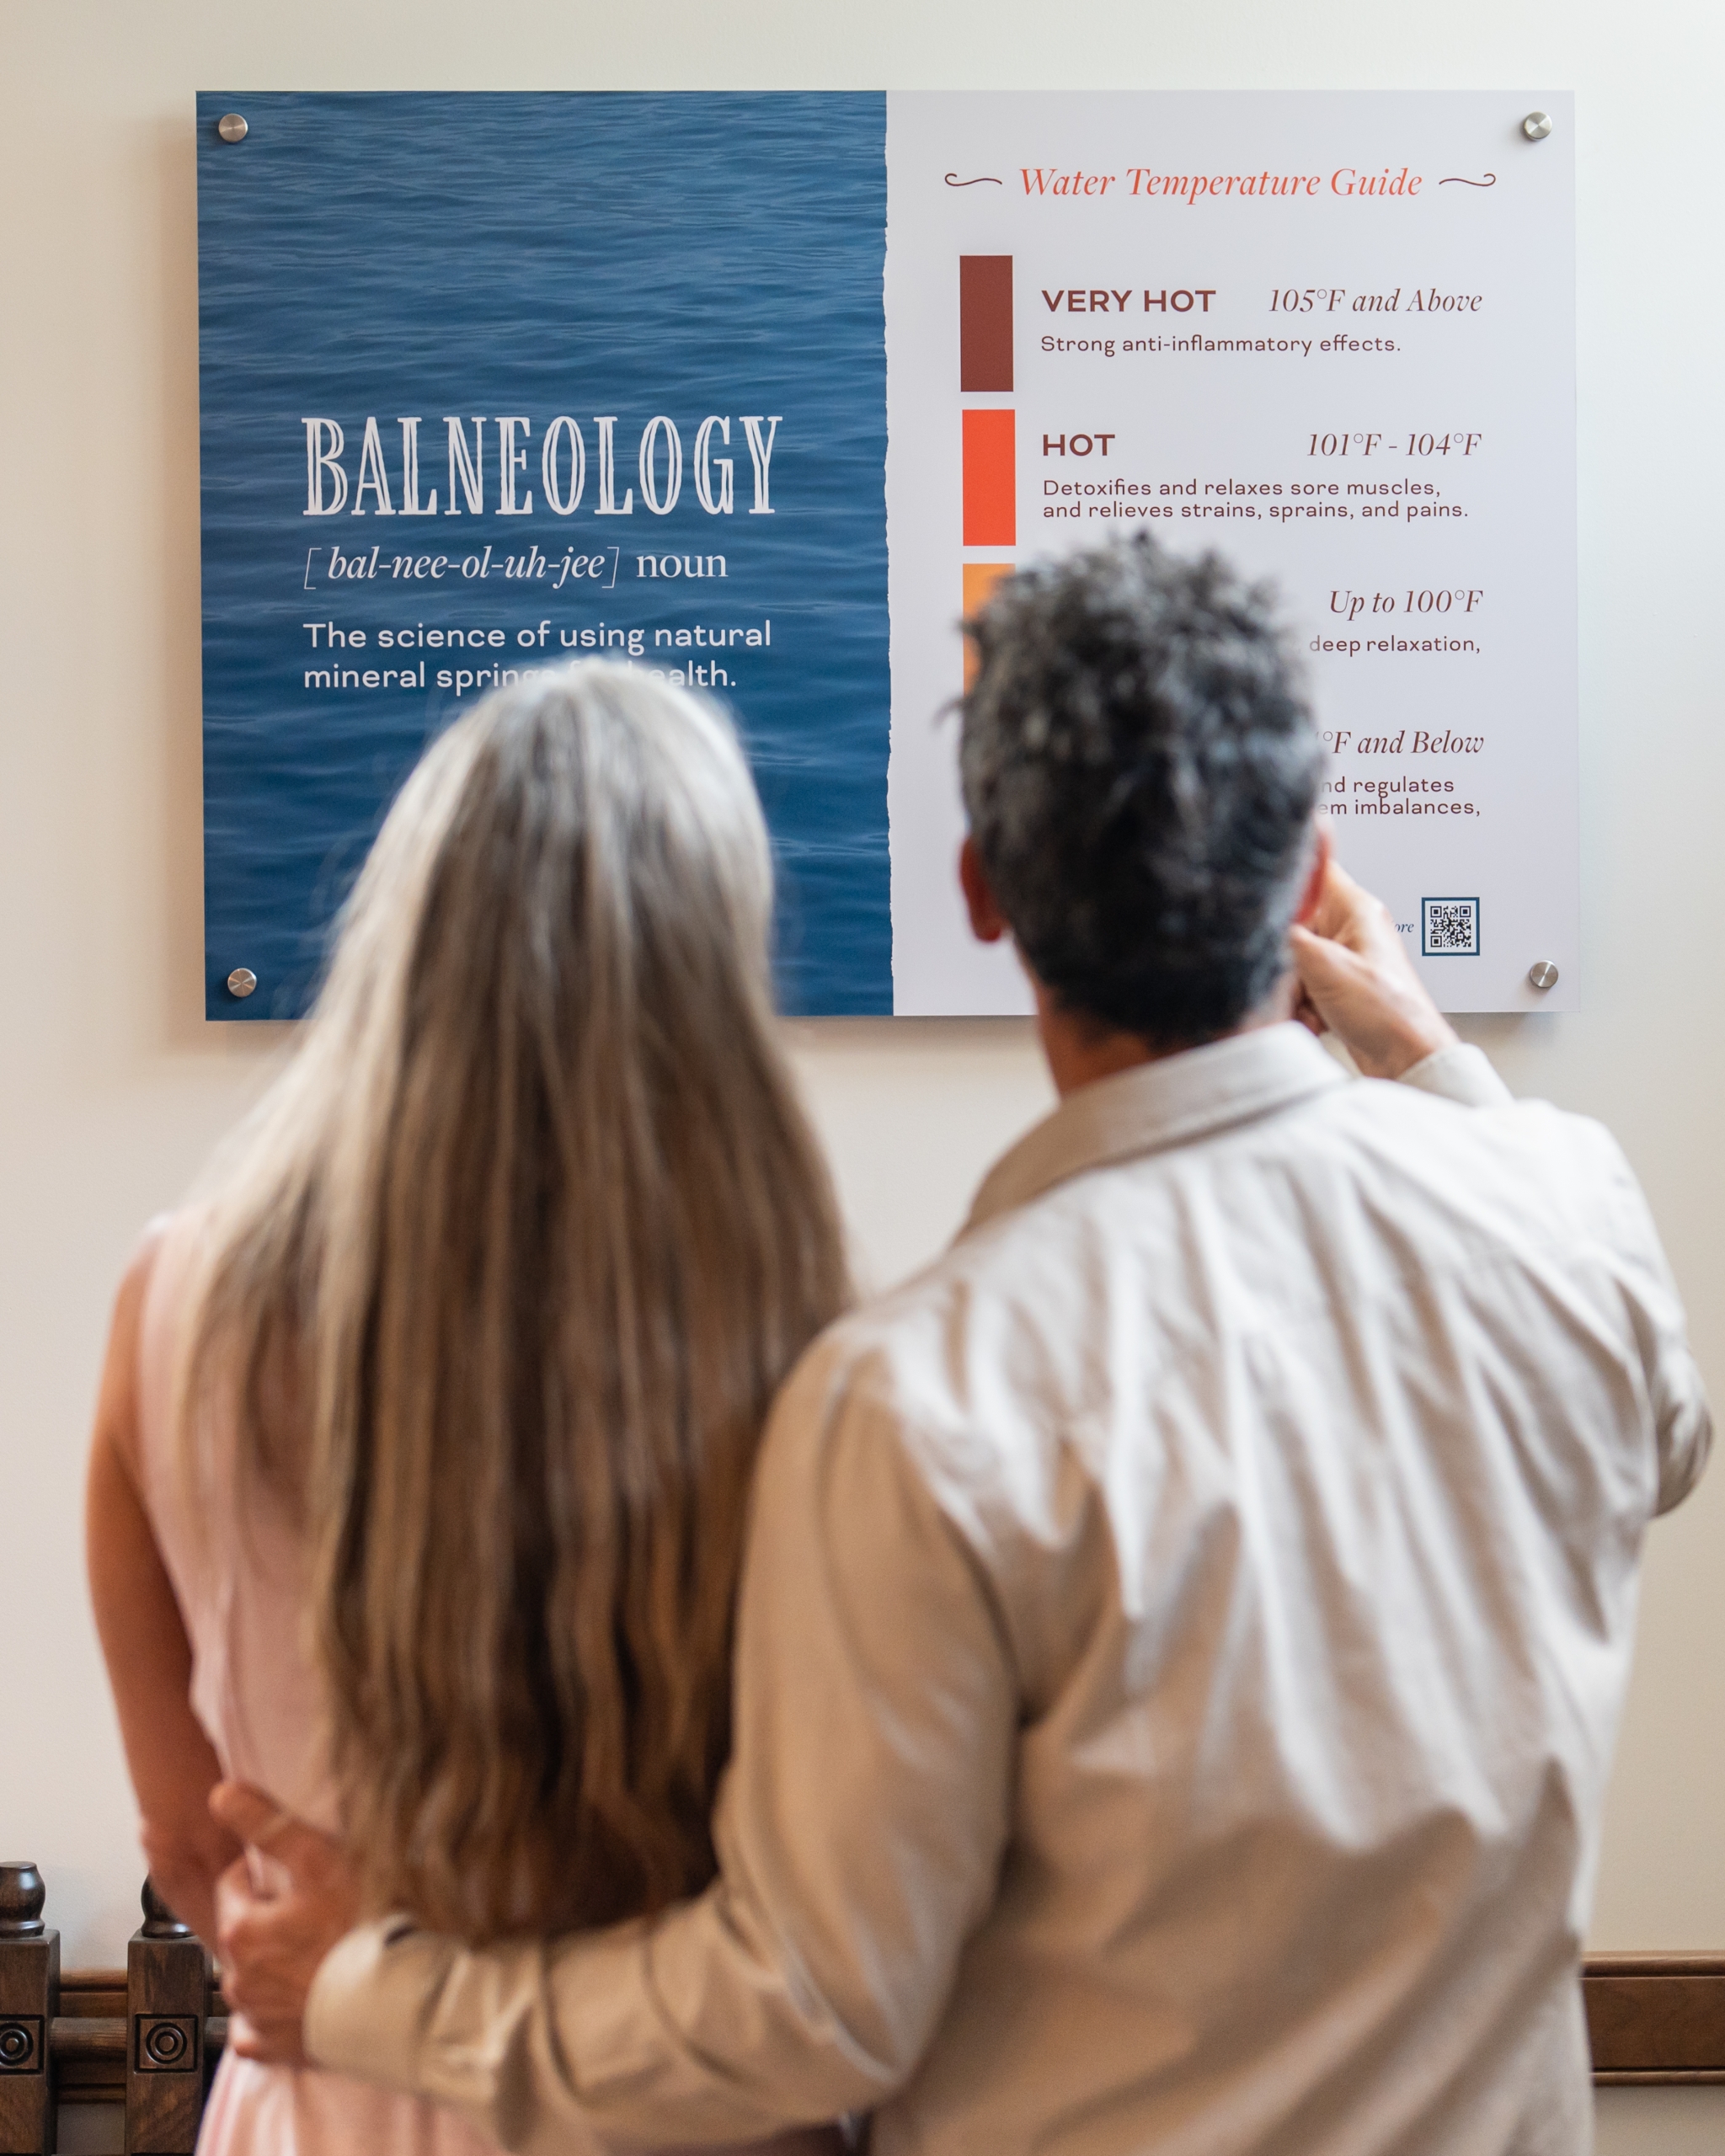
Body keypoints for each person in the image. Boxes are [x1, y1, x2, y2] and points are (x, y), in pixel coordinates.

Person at [213, 536, 1710, 2156]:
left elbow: (810, 2014)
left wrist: (364, 1993)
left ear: (981, 889)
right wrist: (1426, 1060)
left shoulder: (920, 1400)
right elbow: (1668, 1440)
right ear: (1310, 877)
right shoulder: (1566, 1218)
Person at [84, 667, 852, 2156]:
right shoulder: (798, 1357)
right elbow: (826, 1908)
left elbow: (193, 1850)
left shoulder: (172, 1303)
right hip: (665, 2111)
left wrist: (361, 1945)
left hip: (320, 2097)